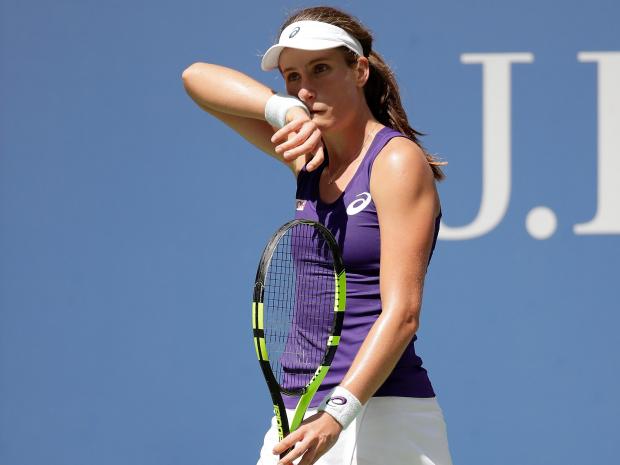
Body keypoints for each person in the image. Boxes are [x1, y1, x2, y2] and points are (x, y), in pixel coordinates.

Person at [182, 5, 453, 465]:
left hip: (382, 416)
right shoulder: (308, 157)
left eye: (321, 70)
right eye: (292, 76)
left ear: (360, 70)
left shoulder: (395, 161)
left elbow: (403, 313)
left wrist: (336, 415)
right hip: (297, 413)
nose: (306, 89)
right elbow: (195, 79)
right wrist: (281, 108)